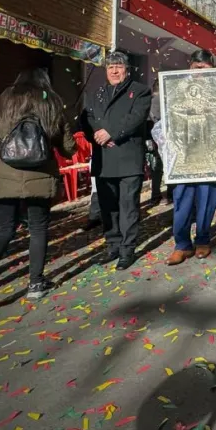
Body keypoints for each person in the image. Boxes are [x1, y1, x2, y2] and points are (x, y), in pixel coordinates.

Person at [0, 69, 77, 307]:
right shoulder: (51, 104)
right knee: (38, 228)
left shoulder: (1, 104)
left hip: (3, 176)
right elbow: (68, 147)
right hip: (40, 175)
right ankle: (35, 284)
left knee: (3, 229)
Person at [79, 52, 152, 271]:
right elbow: (87, 118)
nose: (114, 71)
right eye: (110, 67)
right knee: (108, 207)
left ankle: (127, 250)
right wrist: (98, 135)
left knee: (128, 206)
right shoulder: (97, 93)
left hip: (128, 157)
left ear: (127, 69)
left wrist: (112, 133)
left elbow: (136, 118)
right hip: (104, 158)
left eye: (119, 67)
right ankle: (113, 245)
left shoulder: (140, 91)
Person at [165, 50, 216, 267]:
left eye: (205, 67)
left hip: (210, 154)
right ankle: (182, 245)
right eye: (196, 67)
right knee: (182, 200)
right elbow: (166, 116)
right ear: (189, 66)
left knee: (207, 200)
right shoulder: (174, 87)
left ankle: (203, 239)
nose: (200, 71)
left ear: (212, 67)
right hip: (184, 154)